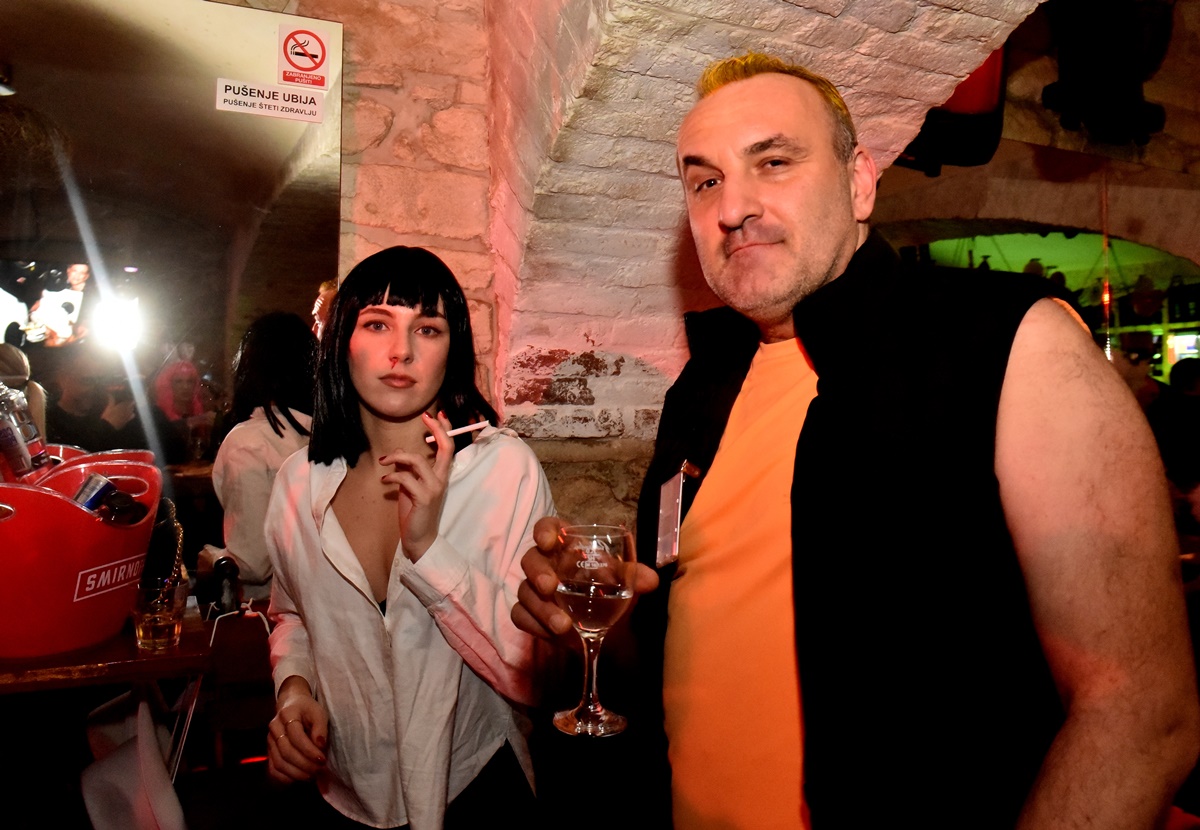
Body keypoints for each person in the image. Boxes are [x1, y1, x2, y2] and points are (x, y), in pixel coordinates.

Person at [514, 52, 1200, 829]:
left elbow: (1141, 714)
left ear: (859, 181)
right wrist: (593, 624)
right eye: (704, 182)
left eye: (773, 162)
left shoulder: (1007, 342)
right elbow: (686, 642)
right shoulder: (700, 393)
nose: (732, 207)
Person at [265, 246, 554, 829]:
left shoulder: (503, 470)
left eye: (427, 328)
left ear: (453, 349)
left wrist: (427, 550)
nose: (401, 352)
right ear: (342, 342)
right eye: (377, 324)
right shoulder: (298, 483)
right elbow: (292, 614)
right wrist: (294, 691)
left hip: (475, 786)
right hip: (343, 791)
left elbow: (535, 675)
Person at [197, 313, 316, 601]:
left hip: (269, 610)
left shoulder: (249, 443)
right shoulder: (332, 434)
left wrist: (210, 558)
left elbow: (252, 563)